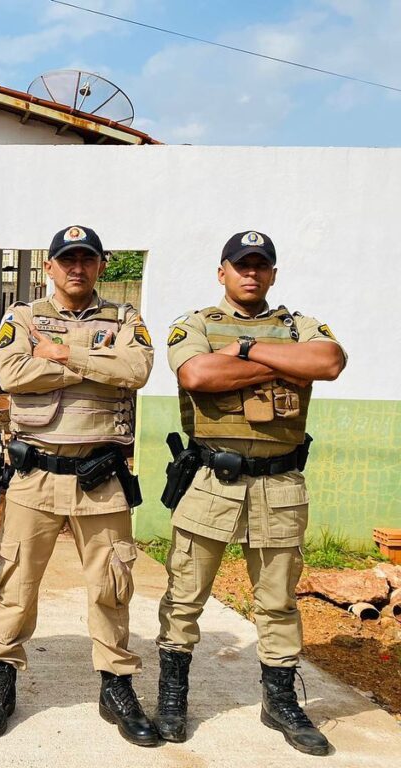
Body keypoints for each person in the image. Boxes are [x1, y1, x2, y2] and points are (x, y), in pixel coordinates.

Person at [155, 231, 345, 755]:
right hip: (210, 482)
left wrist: (242, 351)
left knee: (278, 601)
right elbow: (196, 372)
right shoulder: (194, 324)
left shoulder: (298, 324)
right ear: (223, 272)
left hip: (281, 485)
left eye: (261, 266)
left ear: (273, 274)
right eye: (241, 265)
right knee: (184, 596)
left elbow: (328, 361)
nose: (251, 274)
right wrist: (285, 360)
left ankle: (279, 700)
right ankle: (173, 693)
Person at [0, 225, 159, 746]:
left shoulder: (125, 317)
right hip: (35, 474)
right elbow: (11, 372)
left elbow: (138, 367)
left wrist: (60, 356)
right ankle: (2, 678)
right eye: (66, 259)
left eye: (87, 259)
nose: (76, 267)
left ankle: (116, 685)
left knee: (111, 584)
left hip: (102, 477)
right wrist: (95, 367)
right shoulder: (23, 318)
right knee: (15, 581)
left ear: (100, 265)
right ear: (49, 267)